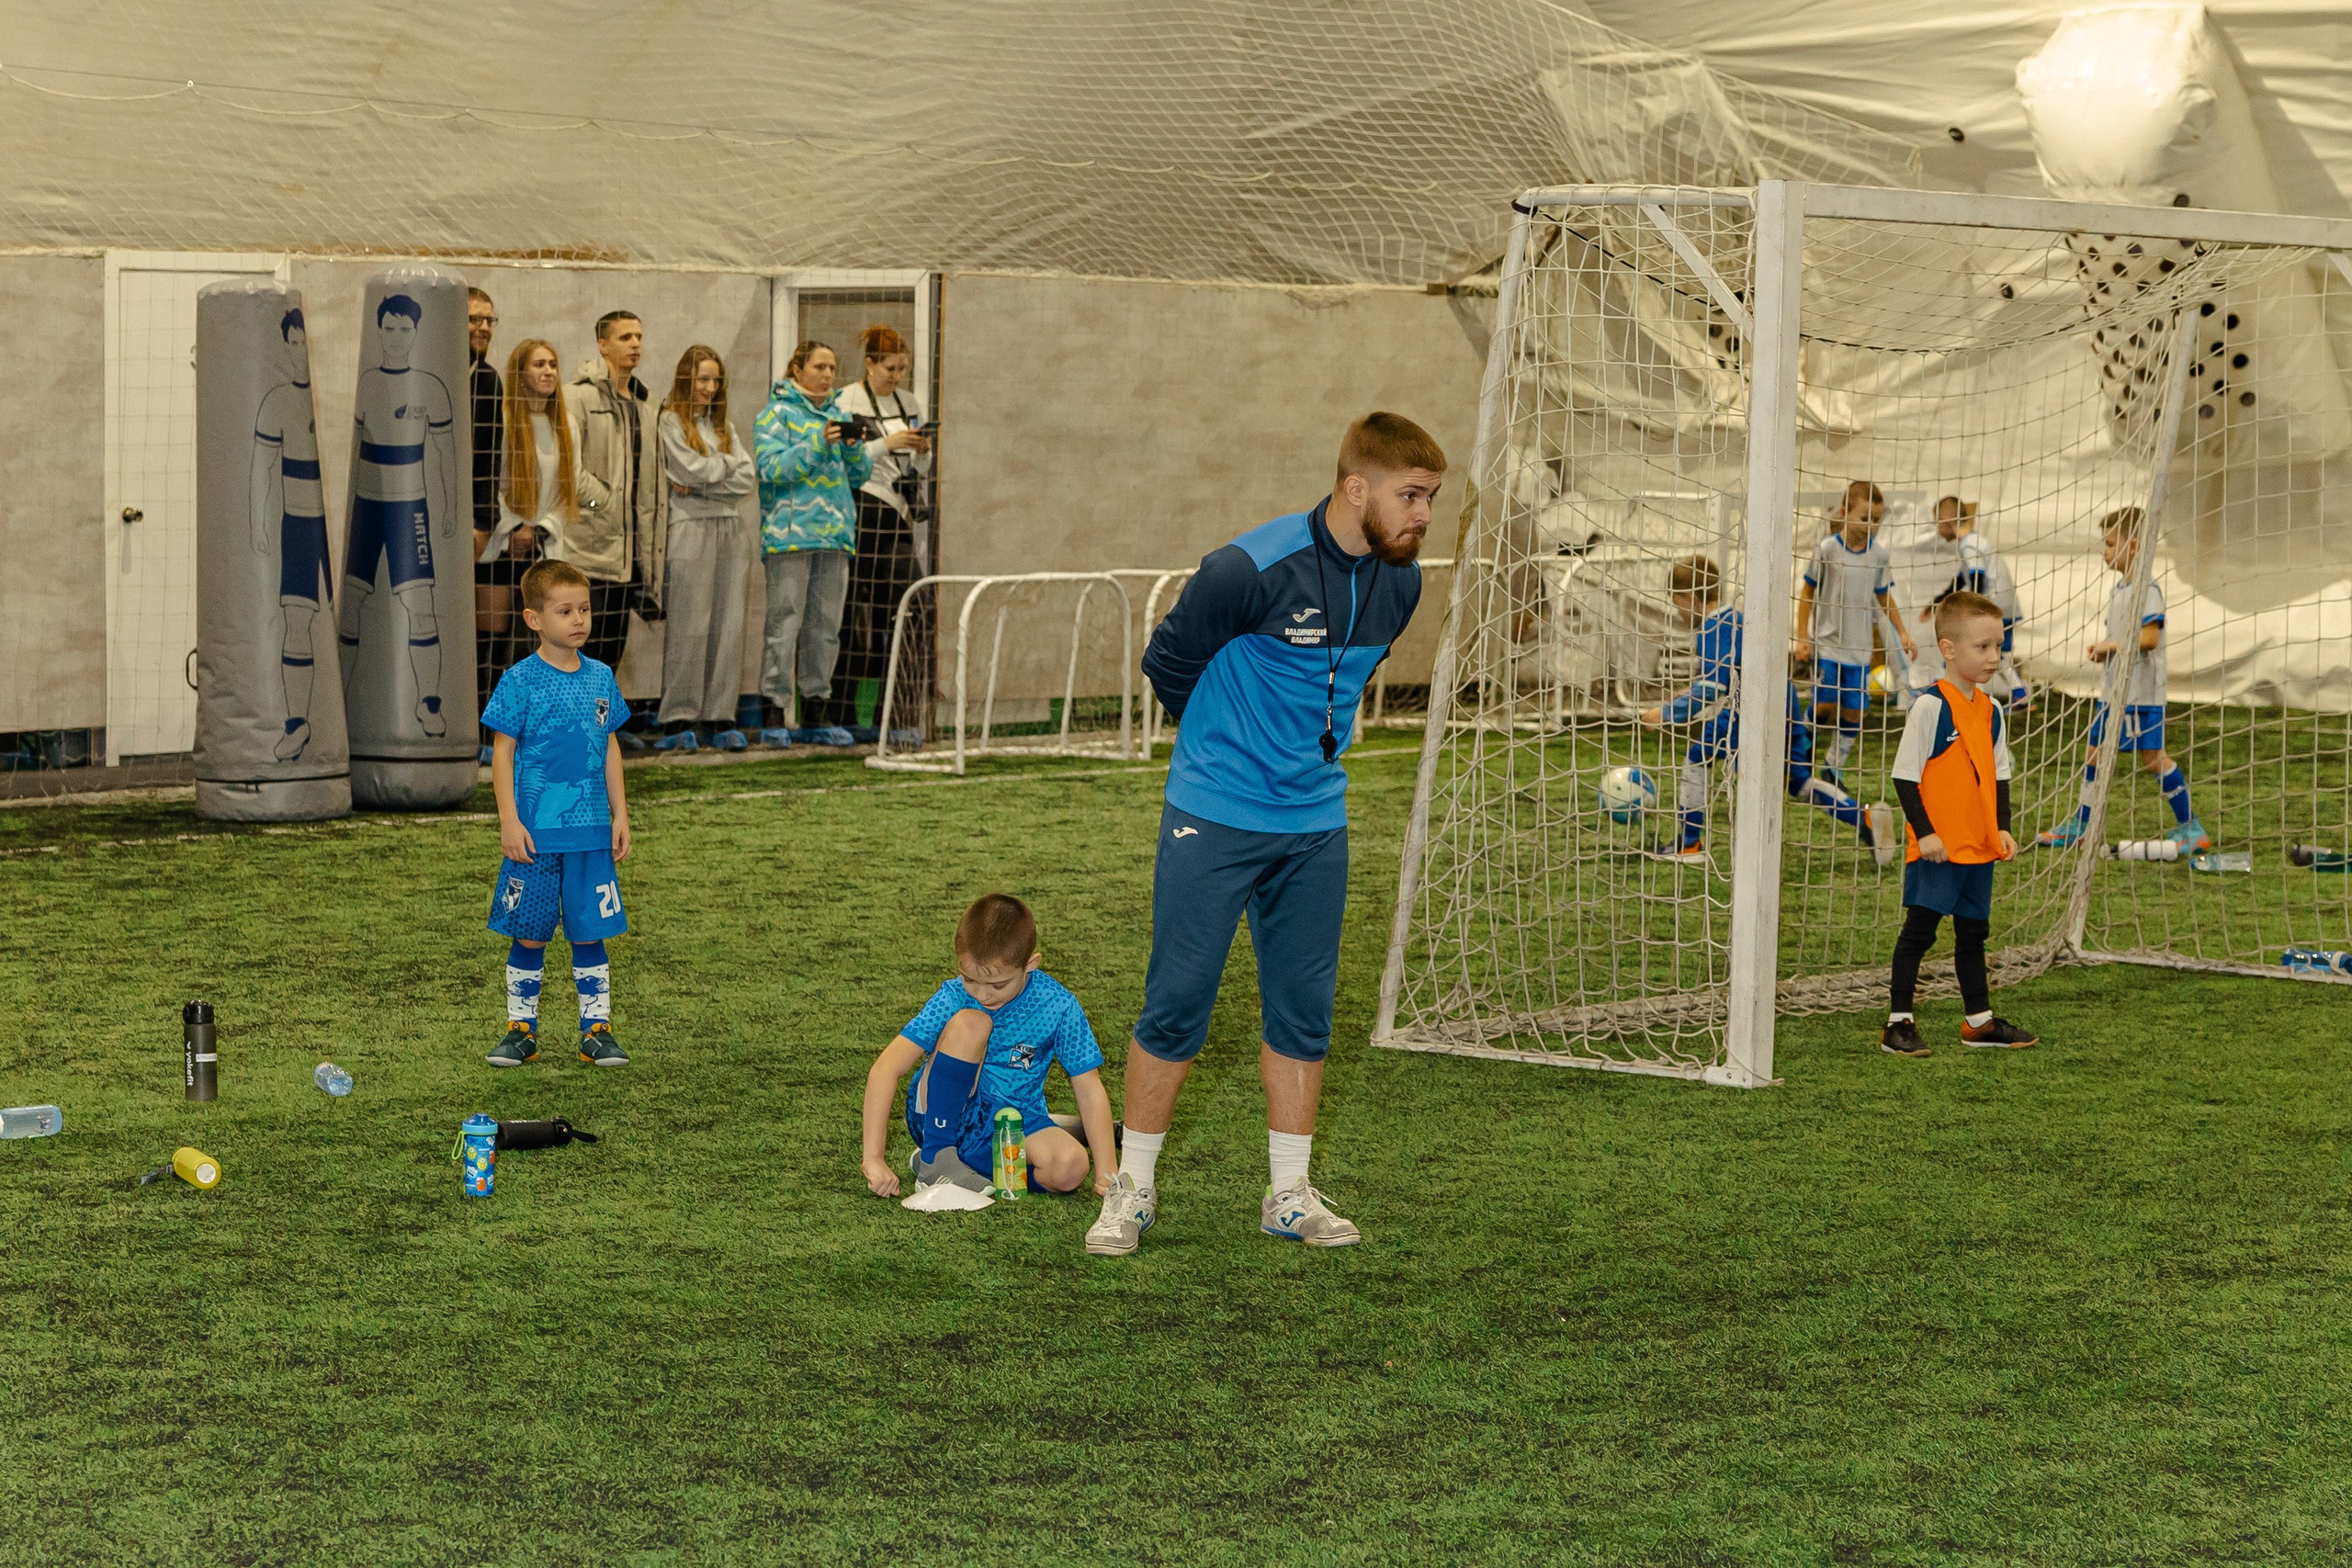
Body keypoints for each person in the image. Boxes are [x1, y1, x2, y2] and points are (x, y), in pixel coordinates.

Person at [1086, 412, 1442, 1259]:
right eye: (1411, 495)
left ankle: (1287, 1192)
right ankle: (1130, 1188)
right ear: (1356, 488)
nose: (1424, 513)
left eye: (1430, 497)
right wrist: (1223, 751)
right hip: (1214, 815)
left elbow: (1338, 690)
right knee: (1175, 1005)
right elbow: (1169, 663)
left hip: (1317, 824)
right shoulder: (1246, 568)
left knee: (1304, 1011)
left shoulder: (1403, 583)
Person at [1639, 554, 1895, 866]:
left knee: (1697, 758)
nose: (1678, 611)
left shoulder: (1712, 627)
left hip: (1748, 710)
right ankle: (1864, 818)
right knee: (1798, 781)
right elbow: (1723, 673)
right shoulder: (1736, 618)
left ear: (1688, 597)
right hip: (1783, 701)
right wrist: (1685, 692)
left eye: (1676, 602)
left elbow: (1714, 688)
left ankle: (1690, 844)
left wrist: (1664, 714)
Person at [860, 893, 1118, 1202]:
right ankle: (936, 1156)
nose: (982, 994)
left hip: (1014, 1121)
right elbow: (886, 1068)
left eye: (998, 985)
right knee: (974, 1022)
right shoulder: (954, 996)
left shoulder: (1058, 1004)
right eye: (969, 978)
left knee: (1071, 1167)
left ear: (1031, 964)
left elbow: (1089, 1088)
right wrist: (873, 1158)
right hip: (943, 1114)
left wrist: (1106, 1172)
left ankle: (972, 1166)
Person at [483, 558, 634, 1070]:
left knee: (589, 932)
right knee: (530, 932)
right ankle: (520, 1030)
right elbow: (501, 753)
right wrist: (509, 819)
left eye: (585, 609)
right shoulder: (520, 680)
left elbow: (610, 745)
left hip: (590, 833)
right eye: (565, 610)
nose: (579, 620)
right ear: (533, 619)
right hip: (536, 836)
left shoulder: (601, 676)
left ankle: (597, 1032)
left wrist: (620, 814)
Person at [1881, 592, 2039, 1055]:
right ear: (1949, 650)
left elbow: (2000, 772)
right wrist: (1925, 834)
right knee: (1920, 931)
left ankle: (1979, 1021)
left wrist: (2002, 826)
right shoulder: (1931, 707)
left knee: (1974, 932)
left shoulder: (1991, 711)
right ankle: (1897, 1023)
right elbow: (1904, 776)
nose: (1995, 657)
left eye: (1998, 646)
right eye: (1983, 648)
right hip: (1940, 848)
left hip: (1979, 844)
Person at [2036, 507, 2208, 852]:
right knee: (2095, 752)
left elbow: (2149, 639)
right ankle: (2082, 825)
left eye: (2112, 544)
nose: (2106, 551)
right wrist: (2107, 652)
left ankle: (2192, 829)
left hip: (2139, 694)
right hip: (2116, 690)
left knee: (2152, 758)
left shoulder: (2147, 588)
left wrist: (2111, 645)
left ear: (2134, 546)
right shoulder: (2122, 589)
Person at [338, 292, 458, 738]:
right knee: (350, 606)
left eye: (403, 329)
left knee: (421, 608)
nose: (395, 337)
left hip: (410, 511)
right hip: (367, 509)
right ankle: (343, 710)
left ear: (415, 333)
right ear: (378, 331)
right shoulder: (367, 382)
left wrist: (448, 508)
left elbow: (445, 453)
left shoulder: (431, 387)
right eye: (387, 328)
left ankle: (429, 704)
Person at [753, 340, 871, 748]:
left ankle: (816, 709)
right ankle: (774, 710)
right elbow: (771, 469)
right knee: (784, 625)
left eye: (833, 368)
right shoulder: (775, 415)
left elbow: (858, 476)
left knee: (826, 629)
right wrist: (819, 442)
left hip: (835, 536)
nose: (827, 375)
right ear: (796, 370)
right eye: (819, 366)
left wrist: (855, 449)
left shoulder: (840, 415)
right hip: (790, 537)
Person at [825, 323, 933, 740]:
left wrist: (920, 452)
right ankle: (842, 716)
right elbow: (840, 457)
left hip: (895, 516)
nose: (896, 377)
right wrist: (884, 445)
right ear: (869, 365)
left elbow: (919, 469)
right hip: (856, 510)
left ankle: (900, 716)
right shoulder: (845, 400)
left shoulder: (910, 403)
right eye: (889, 368)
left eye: (902, 369)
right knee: (850, 618)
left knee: (911, 608)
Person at [654, 345, 757, 753]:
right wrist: (721, 472)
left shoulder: (724, 426)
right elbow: (686, 469)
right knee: (689, 624)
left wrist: (704, 481)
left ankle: (720, 715)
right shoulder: (669, 421)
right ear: (686, 379)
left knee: (729, 625)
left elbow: (746, 480)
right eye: (702, 379)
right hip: (689, 528)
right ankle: (679, 715)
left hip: (731, 528)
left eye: (716, 380)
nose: (710, 388)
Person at [564, 310, 669, 676]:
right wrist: (605, 504)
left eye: (639, 337)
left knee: (609, 660)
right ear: (602, 344)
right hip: (588, 551)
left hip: (628, 556)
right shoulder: (575, 398)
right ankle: (571, 734)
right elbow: (569, 474)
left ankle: (602, 731)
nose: (636, 344)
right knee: (577, 655)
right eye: (626, 338)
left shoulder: (647, 404)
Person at [248, 306, 331, 762]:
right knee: (296, 622)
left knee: (370, 617)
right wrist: (259, 523)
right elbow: (260, 470)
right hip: (297, 526)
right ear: (283, 347)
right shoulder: (276, 400)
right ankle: (298, 723)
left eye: (305, 342)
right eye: (292, 343)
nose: (300, 351)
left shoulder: (328, 398)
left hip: (334, 527)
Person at [1793, 479, 1917, 783]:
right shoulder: (1827, 550)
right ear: (1846, 512)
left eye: (1876, 520)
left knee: (1854, 712)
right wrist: (1802, 636)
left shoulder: (1879, 556)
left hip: (1860, 648)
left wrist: (1902, 631)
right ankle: (1801, 750)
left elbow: (1884, 595)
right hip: (1828, 643)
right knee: (1824, 704)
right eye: (1865, 518)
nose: (1871, 526)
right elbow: (1807, 593)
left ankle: (1832, 769)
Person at [1906, 497, 2027, 711]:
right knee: (1994, 652)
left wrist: (1973, 611)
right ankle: (2017, 695)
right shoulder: (1974, 541)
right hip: (2004, 604)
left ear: (1946, 520)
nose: (1937, 530)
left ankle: (2019, 696)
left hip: (1996, 607)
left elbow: (1977, 577)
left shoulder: (1970, 544)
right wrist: (1936, 602)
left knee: (1983, 650)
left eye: (1937, 522)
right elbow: (1961, 579)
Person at [488, 339, 581, 603]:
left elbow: (569, 489)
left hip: (547, 548)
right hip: (505, 548)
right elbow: (491, 485)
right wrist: (515, 528)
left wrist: (540, 530)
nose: (549, 371)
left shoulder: (567, 425)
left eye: (553, 365)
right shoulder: (503, 420)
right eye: (539, 365)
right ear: (520, 374)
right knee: (502, 639)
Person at [468, 287, 510, 716]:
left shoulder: (487, 379)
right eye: (473, 319)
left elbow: (489, 456)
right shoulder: (427, 371)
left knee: (483, 631)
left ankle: (482, 723)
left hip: (469, 523)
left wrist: (482, 522)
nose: (482, 327)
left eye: (489, 320)